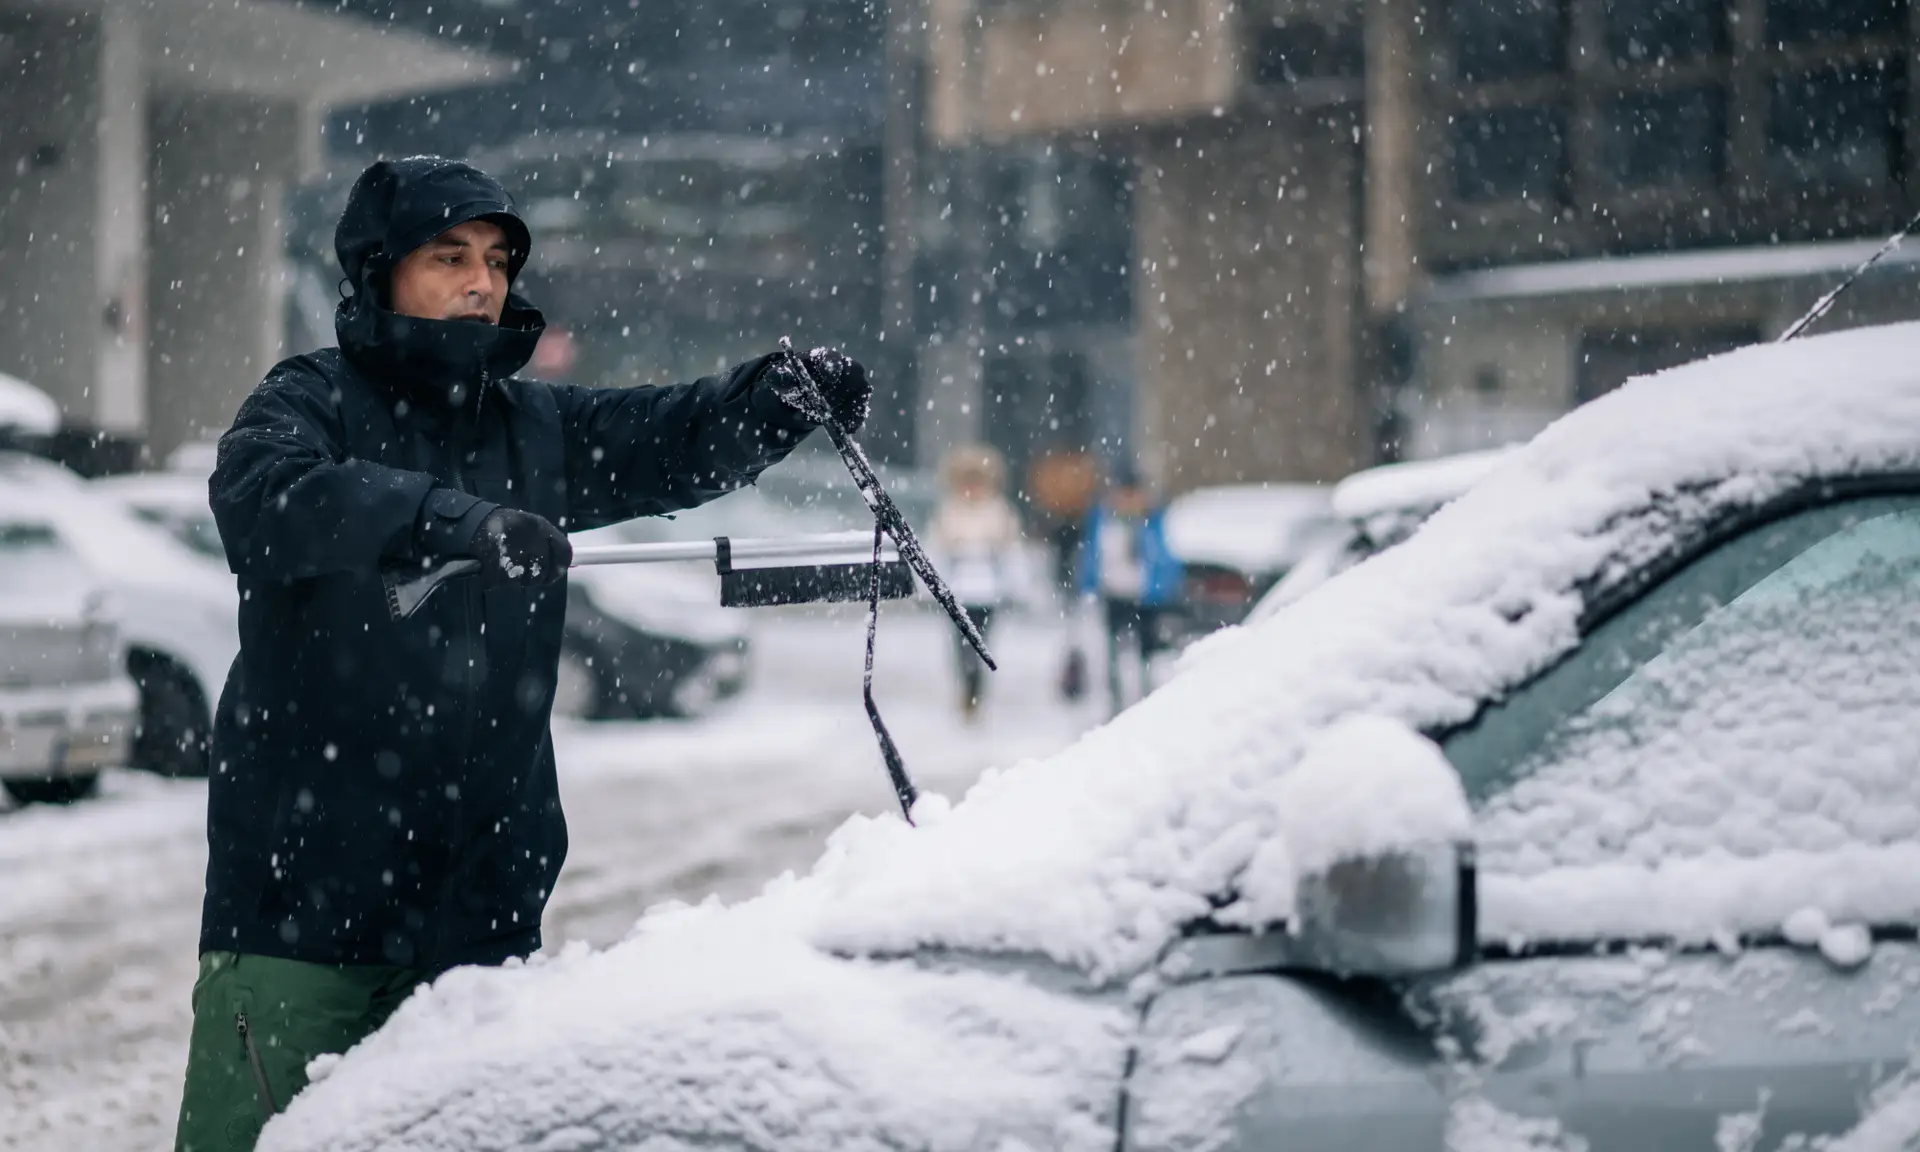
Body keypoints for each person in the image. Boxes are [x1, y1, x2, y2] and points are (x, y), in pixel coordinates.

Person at [174, 156, 872, 1151]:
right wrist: (452, 521)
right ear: (378, 273)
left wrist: (773, 400)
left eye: (497, 260)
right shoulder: (309, 401)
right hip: (301, 921)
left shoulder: (533, 426)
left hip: (477, 926)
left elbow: (665, 435)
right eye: (449, 256)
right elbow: (266, 501)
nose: (481, 282)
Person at [928, 444, 1026, 720]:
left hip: (988, 592)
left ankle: (976, 689)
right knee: (960, 645)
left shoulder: (999, 512)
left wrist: (1014, 586)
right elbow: (936, 553)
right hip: (958, 592)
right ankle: (967, 687)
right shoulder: (949, 512)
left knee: (981, 642)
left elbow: (1011, 553)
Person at [1076, 467, 1181, 716]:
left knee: (1146, 653)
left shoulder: (1151, 522)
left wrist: (1165, 588)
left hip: (1145, 597)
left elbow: (1165, 559)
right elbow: (1092, 556)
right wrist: (1087, 586)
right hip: (1114, 594)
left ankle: (1147, 698)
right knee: (1113, 651)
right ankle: (1117, 701)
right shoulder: (1104, 521)